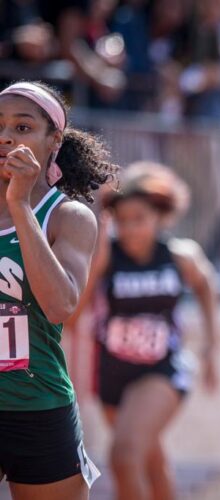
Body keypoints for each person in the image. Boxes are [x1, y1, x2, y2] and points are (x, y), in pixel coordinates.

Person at [73, 161, 220, 500]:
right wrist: (97, 262)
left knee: (123, 457)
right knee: (150, 462)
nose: (129, 230)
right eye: (121, 221)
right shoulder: (107, 258)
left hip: (161, 371)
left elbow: (207, 285)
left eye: (138, 219)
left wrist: (211, 347)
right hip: (112, 375)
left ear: (158, 215)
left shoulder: (180, 256)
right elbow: (72, 316)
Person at [0, 80, 117, 499]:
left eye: (23, 127)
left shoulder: (69, 216)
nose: (6, 136)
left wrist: (19, 205)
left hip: (38, 406)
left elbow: (60, 306)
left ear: (55, 141)